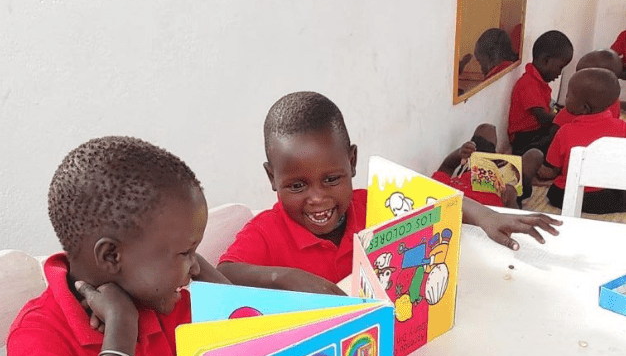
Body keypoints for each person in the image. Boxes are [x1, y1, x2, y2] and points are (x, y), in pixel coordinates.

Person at [7, 136, 226, 356]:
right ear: (111, 256)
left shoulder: (161, 298)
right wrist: (123, 325)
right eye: (185, 252)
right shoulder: (37, 334)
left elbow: (248, 338)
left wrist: (197, 270)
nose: (195, 267)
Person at [217, 92, 561, 294]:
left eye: (332, 179)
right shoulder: (266, 232)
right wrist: (288, 277)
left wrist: (486, 216)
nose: (318, 198)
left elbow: (435, 200)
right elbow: (225, 274)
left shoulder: (374, 203)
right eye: (296, 185)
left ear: (352, 161)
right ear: (271, 177)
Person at [536, 68, 626, 214]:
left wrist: (538, 170)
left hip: (576, 195)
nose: (566, 99)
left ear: (584, 108)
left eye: (568, 96)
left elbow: (551, 171)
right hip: (611, 196)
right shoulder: (622, 127)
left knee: (554, 193)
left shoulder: (565, 132)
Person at [432, 123, 541, 208]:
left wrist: (460, 153)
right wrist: (511, 201)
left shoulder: (440, 194)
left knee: (487, 129)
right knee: (535, 155)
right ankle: (498, 159)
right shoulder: (485, 214)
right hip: (507, 191)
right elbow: (511, 220)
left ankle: (495, 158)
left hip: (478, 169)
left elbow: (446, 168)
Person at [508, 30, 574, 155]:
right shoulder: (528, 83)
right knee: (560, 134)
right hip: (524, 140)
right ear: (546, 61)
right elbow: (543, 117)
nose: (559, 74)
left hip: (536, 133)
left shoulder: (539, 82)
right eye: (560, 67)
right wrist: (567, 119)